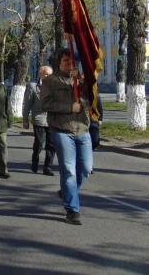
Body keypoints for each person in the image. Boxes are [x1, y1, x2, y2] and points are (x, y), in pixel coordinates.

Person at [40, 48, 93, 226]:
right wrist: (70, 107)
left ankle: (67, 191)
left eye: (72, 61)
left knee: (86, 168)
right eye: (66, 61)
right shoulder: (51, 81)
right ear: (59, 63)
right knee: (69, 170)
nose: (70, 64)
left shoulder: (79, 79)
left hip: (83, 129)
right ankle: (72, 209)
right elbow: (46, 104)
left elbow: (93, 96)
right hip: (62, 130)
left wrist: (82, 80)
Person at [23, 66, 56, 176]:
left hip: (52, 120)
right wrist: (25, 120)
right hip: (39, 119)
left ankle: (48, 167)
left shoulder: (55, 87)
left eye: (50, 75)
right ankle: (35, 162)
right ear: (41, 74)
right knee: (39, 143)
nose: (48, 77)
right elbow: (27, 105)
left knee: (51, 145)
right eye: (46, 74)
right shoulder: (33, 87)